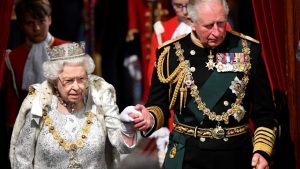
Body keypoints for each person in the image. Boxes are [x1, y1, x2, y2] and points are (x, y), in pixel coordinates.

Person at [129, 0, 278, 169]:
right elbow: (158, 105)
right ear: (191, 22)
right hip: (188, 156)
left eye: (221, 23)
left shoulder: (248, 50)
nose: (217, 32)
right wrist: (151, 117)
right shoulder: (169, 54)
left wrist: (262, 151)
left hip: (236, 155)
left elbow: (264, 111)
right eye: (208, 25)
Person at [9, 42, 141, 169]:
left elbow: (122, 147)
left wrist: (127, 127)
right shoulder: (39, 104)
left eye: (81, 79)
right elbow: (22, 158)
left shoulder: (100, 98)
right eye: (68, 81)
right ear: (54, 80)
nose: (76, 87)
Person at [1, 0, 66, 130]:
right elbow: (11, 102)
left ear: (49, 19)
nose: (36, 28)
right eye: (30, 23)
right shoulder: (13, 58)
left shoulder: (67, 50)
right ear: (20, 25)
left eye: (41, 21)